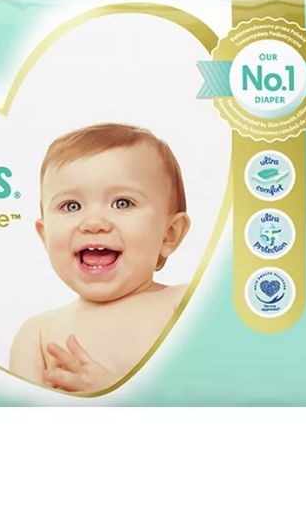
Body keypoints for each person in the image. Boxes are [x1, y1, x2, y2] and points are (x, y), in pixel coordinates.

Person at [10, 123, 191, 393]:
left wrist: (114, 392)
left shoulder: (185, 305)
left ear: (169, 234)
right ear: (45, 236)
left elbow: (216, 394)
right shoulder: (37, 335)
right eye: (71, 206)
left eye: (122, 203)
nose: (93, 223)